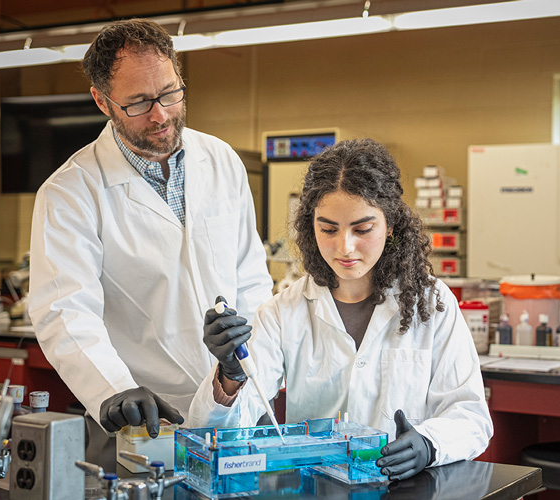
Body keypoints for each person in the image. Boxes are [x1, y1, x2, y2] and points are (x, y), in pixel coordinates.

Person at [28, 19, 273, 446]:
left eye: (169, 93)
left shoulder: (221, 160)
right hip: (143, 417)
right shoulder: (70, 191)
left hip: (234, 404)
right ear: (102, 102)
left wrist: (244, 370)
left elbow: (251, 278)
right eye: (139, 103)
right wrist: (112, 390)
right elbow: (66, 311)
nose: (161, 115)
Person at [189, 138, 493, 481]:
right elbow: (211, 433)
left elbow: (470, 416)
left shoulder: (431, 304)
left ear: (390, 225)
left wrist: (429, 444)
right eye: (328, 229)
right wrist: (231, 375)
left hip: (404, 488)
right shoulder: (283, 312)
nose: (344, 247)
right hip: (316, 488)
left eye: (363, 229)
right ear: (310, 226)